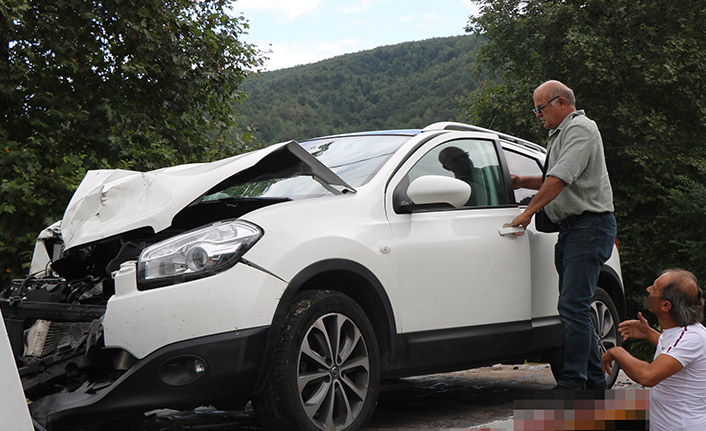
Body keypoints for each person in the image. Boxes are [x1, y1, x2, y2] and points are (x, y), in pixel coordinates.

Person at [509, 80, 616, 389]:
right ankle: (595, 381)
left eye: (540, 109)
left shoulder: (580, 128)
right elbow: (550, 177)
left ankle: (573, 383)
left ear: (560, 103)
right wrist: (521, 181)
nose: (538, 115)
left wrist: (528, 212)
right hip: (572, 231)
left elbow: (561, 177)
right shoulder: (560, 134)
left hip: (589, 226)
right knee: (574, 306)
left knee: (573, 306)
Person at [601, 269, 706, 431]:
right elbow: (674, 353)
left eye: (654, 289)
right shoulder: (683, 330)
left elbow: (647, 376)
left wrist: (617, 352)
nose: (648, 289)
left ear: (665, 305)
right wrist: (648, 333)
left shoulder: (692, 338)